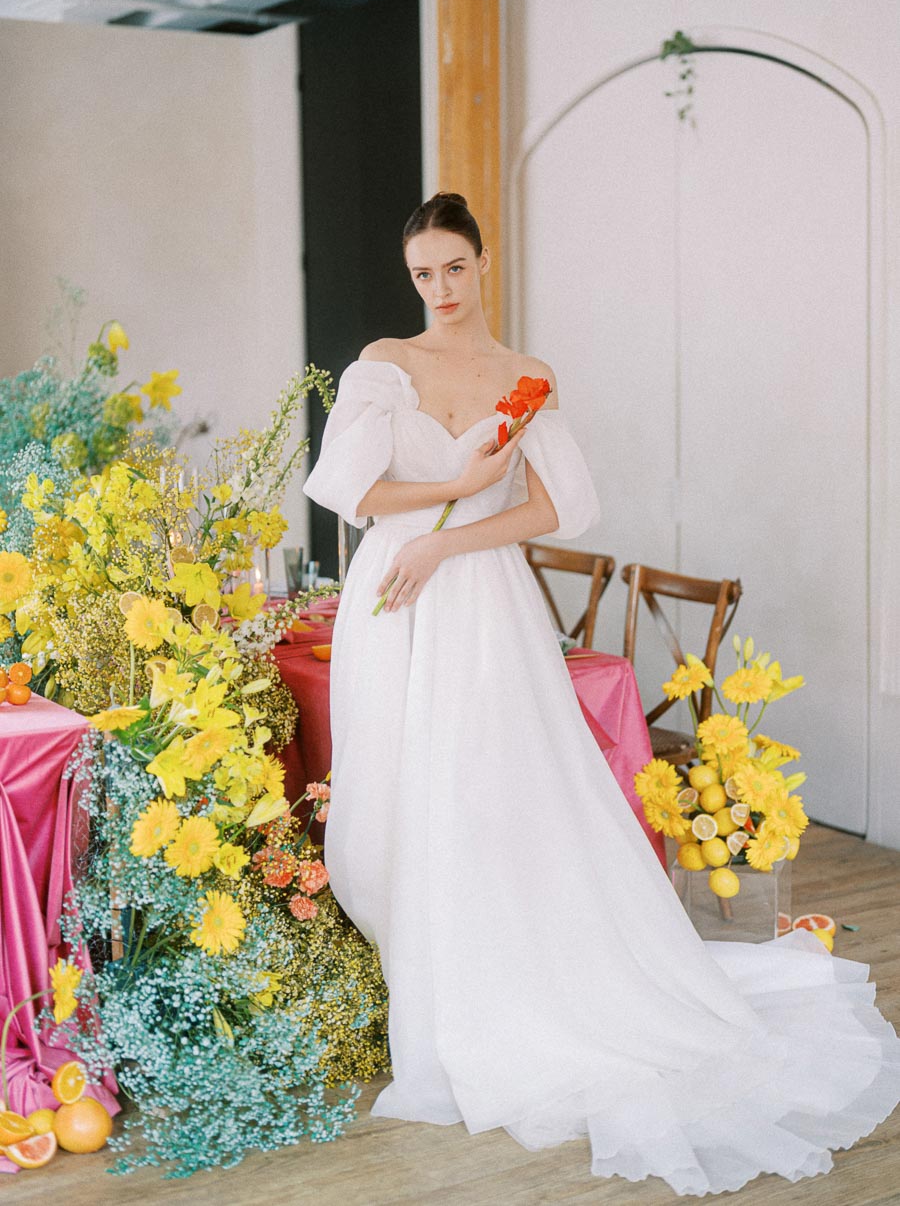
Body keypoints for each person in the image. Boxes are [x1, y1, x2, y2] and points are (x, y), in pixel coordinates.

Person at [302, 192, 900, 1196]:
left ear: (483, 261)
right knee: (396, 784)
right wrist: (437, 513)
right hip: (394, 595)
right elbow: (350, 491)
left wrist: (456, 534)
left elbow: (559, 503)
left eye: (453, 267)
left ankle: (504, 986)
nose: (438, 289)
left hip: (478, 592)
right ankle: (429, 975)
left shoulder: (527, 375)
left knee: (487, 781)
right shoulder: (384, 362)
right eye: (422, 274)